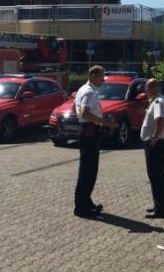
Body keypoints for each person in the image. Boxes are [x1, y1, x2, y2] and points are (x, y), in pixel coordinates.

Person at [74, 65, 116, 219]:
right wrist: (105, 123)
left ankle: (86, 201)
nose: (103, 80)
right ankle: (82, 207)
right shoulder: (89, 92)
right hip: (89, 132)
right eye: (101, 76)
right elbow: (85, 112)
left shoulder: (83, 89)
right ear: (92, 75)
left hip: (87, 131)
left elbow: (75, 109)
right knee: (88, 171)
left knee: (88, 170)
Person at [141, 78, 164, 218]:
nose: (145, 91)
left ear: (152, 88)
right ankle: (159, 205)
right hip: (156, 143)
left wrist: (154, 138)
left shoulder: (159, 101)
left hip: (156, 144)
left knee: (156, 176)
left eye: (146, 88)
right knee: (155, 176)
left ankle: (161, 209)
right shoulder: (156, 100)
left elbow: (161, 120)